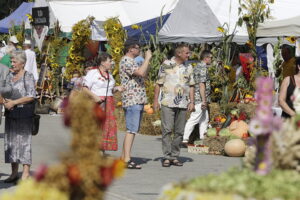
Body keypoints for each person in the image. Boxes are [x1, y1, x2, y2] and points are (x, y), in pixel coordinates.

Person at [153, 44, 195, 167]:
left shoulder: (189, 67)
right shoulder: (166, 64)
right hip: (167, 102)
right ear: (179, 54)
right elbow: (158, 83)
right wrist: (156, 100)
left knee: (179, 132)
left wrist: (192, 102)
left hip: (183, 103)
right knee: (167, 130)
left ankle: (174, 156)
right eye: (187, 53)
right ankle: (166, 156)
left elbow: (192, 85)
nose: (189, 55)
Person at [0, 50, 36, 182]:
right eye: (11, 61)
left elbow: (31, 96)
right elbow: (4, 92)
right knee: (10, 143)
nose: (12, 63)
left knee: (24, 143)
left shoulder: (28, 76)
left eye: (14, 61)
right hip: (11, 113)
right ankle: (14, 173)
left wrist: (14, 102)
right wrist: (4, 100)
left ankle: (25, 174)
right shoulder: (9, 76)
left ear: (22, 63)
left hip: (24, 113)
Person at [119, 41, 152, 169]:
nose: (140, 50)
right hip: (132, 98)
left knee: (132, 129)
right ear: (131, 49)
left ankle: (123, 157)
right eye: (138, 48)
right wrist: (147, 58)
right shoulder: (126, 60)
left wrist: (147, 61)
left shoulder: (131, 61)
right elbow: (140, 73)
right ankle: (127, 159)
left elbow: (144, 72)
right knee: (131, 130)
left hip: (137, 98)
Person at [83, 53, 124, 151]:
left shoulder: (109, 74)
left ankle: (101, 149)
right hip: (96, 102)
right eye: (109, 61)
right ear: (102, 62)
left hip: (108, 103)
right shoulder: (93, 73)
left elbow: (109, 90)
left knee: (105, 126)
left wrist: (117, 88)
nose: (111, 63)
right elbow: (84, 88)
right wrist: (95, 97)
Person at [182, 50, 212, 144]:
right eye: (211, 57)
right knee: (194, 118)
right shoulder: (203, 68)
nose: (211, 59)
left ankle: (202, 137)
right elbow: (201, 85)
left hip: (197, 97)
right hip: (199, 98)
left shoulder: (197, 66)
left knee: (204, 118)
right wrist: (204, 101)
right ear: (206, 58)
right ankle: (185, 138)